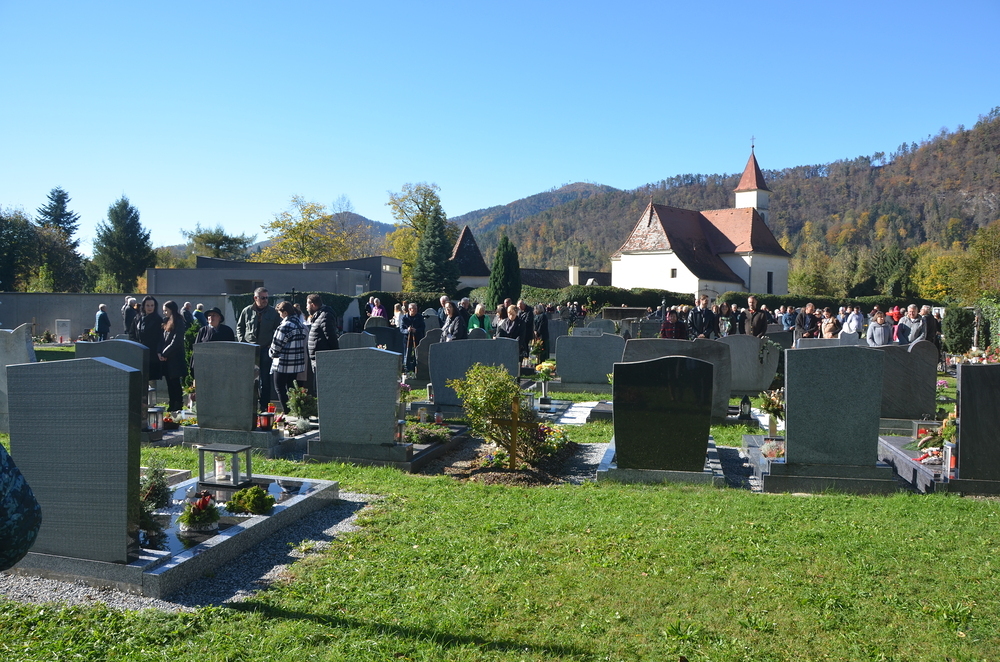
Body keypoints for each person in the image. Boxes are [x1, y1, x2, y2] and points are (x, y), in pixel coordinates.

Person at [236, 287, 281, 412]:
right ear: (255, 298)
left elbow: (278, 330)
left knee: (265, 380)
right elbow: (240, 327)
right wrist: (242, 342)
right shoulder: (247, 311)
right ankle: (248, 405)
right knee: (249, 379)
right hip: (249, 350)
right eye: (262, 298)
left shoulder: (273, 312)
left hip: (265, 349)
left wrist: (272, 345)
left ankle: (264, 406)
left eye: (267, 297)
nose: (265, 300)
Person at [269, 301, 307, 414]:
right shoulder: (300, 325)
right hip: (296, 363)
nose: (280, 316)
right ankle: (295, 410)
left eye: (280, 313)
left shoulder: (285, 326)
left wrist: (271, 354)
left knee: (279, 387)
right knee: (291, 388)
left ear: (285, 312)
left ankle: (287, 411)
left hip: (283, 362)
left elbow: (277, 345)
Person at [159, 301, 188, 412]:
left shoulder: (179, 321)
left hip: (175, 357)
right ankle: (171, 403)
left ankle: (178, 403)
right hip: (167, 357)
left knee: (175, 382)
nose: (164, 312)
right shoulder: (167, 321)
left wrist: (164, 353)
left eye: (166, 310)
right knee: (169, 383)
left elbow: (176, 341)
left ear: (171, 309)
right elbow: (163, 339)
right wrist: (161, 353)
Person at [132, 296, 164, 382]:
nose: (150, 308)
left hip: (152, 353)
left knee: (152, 379)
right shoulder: (138, 318)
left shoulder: (158, 320)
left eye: (152, 305)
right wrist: (136, 345)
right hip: (139, 351)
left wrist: (159, 351)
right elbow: (132, 333)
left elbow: (161, 337)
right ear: (143, 306)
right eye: (148, 305)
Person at [306, 294, 339, 373]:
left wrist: (336, 355)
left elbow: (331, 337)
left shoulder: (325, 316)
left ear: (313, 305)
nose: (306, 307)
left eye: (307, 305)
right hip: (317, 358)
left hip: (323, 358)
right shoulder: (319, 315)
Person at [400, 302, 425, 373]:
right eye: (414, 309)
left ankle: (415, 368)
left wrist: (416, 330)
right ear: (409, 309)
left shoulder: (419, 317)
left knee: (416, 354)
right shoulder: (404, 318)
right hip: (407, 339)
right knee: (407, 353)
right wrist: (407, 330)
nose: (416, 310)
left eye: (416, 308)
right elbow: (401, 329)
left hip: (417, 338)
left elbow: (423, 327)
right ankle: (407, 369)